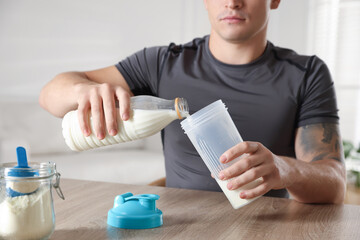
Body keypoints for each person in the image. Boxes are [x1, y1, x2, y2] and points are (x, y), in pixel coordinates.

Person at [39, 0, 346, 204]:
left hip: (266, 227)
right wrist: (82, 91)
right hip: (180, 229)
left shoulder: (306, 74)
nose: (232, 1)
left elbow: (334, 183)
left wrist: (284, 168)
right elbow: (50, 95)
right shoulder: (161, 64)